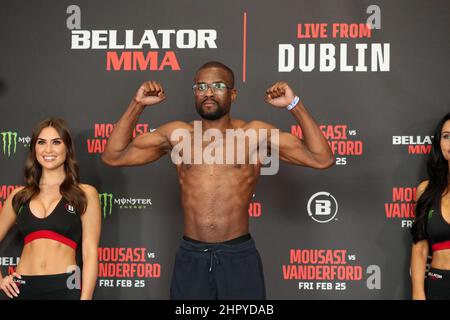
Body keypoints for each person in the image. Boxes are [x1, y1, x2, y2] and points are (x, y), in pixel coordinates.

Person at [101, 61, 334, 299]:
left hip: (238, 256)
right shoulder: (178, 135)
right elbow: (114, 156)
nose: (209, 92)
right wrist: (137, 105)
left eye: (218, 86)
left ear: (232, 94)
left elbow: (321, 158)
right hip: (191, 256)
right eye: (201, 86)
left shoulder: (254, 134)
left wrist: (294, 105)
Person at [0, 118, 101, 300]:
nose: (48, 150)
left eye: (56, 142)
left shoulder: (85, 194)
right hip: (22, 288)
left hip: (65, 287)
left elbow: (90, 252)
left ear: (67, 148)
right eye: (41, 143)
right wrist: (0, 280)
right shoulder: (19, 196)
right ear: (34, 149)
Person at [411, 112, 450, 300]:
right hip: (439, 282)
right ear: (439, 143)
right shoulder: (425, 190)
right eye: (446, 136)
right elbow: (420, 248)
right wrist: (418, 293)